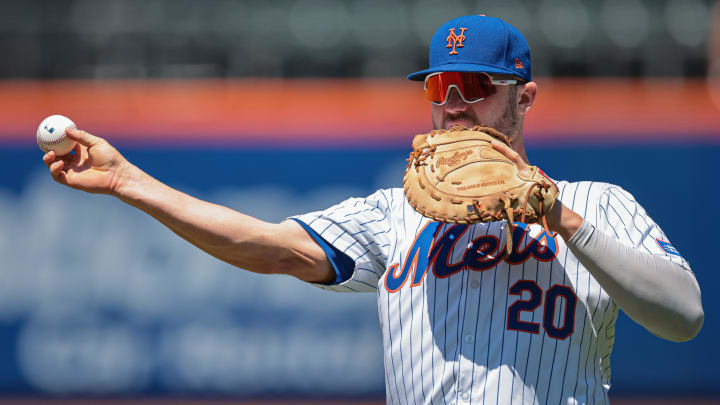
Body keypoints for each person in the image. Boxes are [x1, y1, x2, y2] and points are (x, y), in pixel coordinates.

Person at [43, 15, 702, 405]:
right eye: (439, 88)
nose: (453, 104)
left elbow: (683, 315)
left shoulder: (596, 203)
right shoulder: (399, 211)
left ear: (524, 98)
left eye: (473, 86)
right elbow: (267, 245)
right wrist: (130, 182)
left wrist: (557, 215)